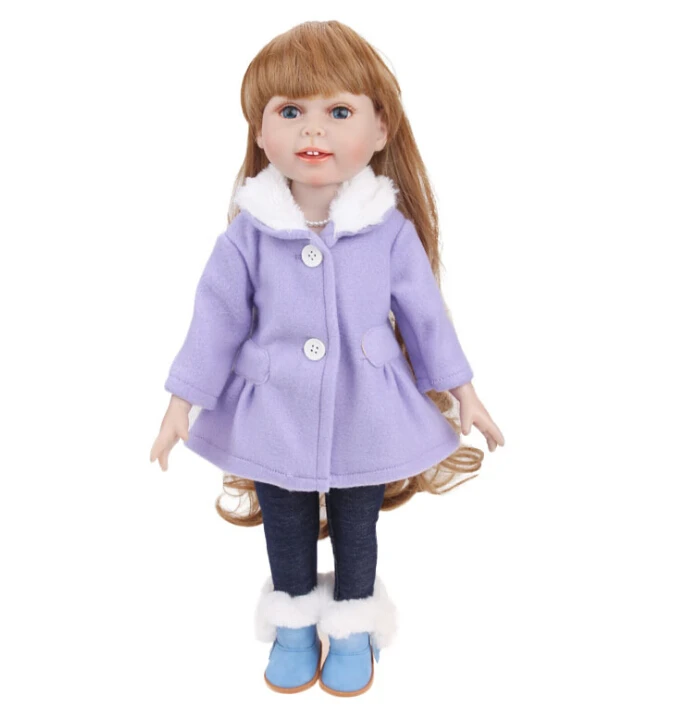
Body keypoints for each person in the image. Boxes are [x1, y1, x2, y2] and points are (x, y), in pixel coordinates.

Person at [150, 20, 504, 697]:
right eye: (290, 111)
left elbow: (426, 317)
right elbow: (215, 320)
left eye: (339, 111)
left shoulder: (389, 232)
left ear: (381, 128)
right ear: (260, 133)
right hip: (273, 409)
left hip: (367, 406)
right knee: (284, 522)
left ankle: (351, 628)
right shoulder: (247, 236)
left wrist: (463, 390)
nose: (313, 130)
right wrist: (180, 401)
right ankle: (292, 627)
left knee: (355, 524)